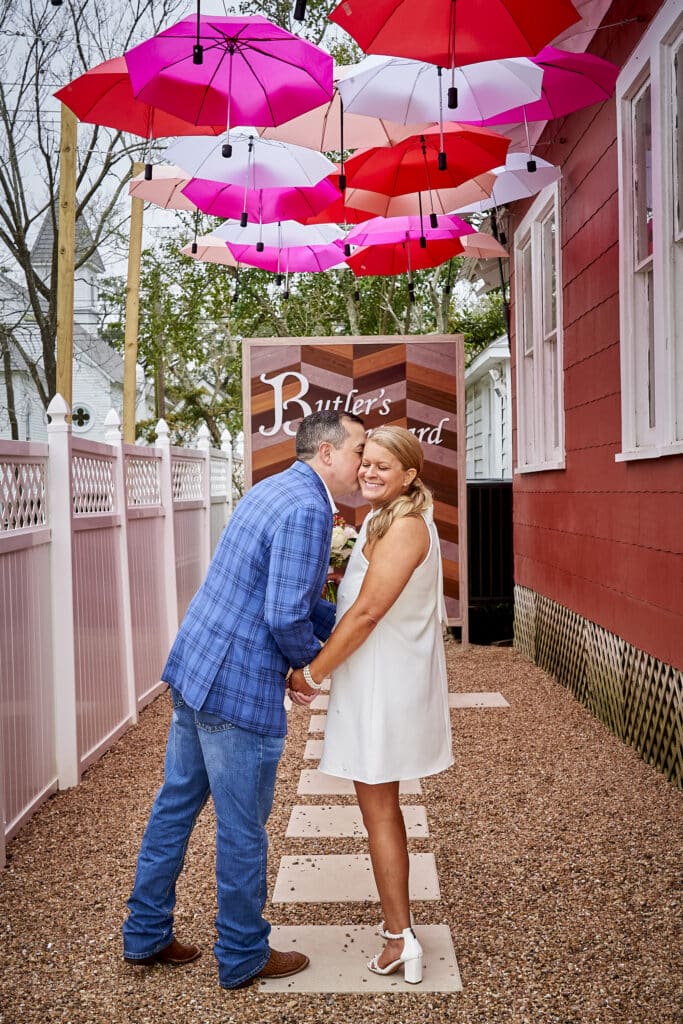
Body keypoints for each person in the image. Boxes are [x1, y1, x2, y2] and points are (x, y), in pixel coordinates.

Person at [122, 410, 366, 990]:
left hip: (196, 668)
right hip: (237, 687)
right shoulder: (309, 508)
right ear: (327, 453)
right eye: (359, 448)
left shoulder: (271, 489)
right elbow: (284, 614)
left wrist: (343, 623)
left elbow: (277, 592)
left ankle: (146, 934)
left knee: (174, 808)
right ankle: (242, 953)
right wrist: (308, 667)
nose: (364, 459)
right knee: (242, 827)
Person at [289, 425, 453, 985]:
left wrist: (310, 674)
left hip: (385, 686)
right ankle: (398, 928)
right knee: (379, 809)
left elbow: (364, 614)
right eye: (367, 461)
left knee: (380, 810)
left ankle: (398, 936)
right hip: (375, 680)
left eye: (384, 465)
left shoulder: (406, 528)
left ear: (410, 475)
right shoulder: (381, 520)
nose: (369, 471)